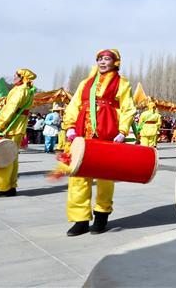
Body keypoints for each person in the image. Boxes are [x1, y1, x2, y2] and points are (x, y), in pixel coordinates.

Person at [63, 49, 135, 236]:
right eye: (100, 59)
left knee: (105, 176)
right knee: (78, 175)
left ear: (115, 62)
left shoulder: (122, 83)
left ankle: (101, 216)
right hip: (82, 132)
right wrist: (70, 125)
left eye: (107, 59)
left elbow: (128, 108)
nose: (103, 62)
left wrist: (122, 131)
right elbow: (74, 105)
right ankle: (80, 220)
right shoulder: (85, 83)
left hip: (107, 131)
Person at [0, 69, 37, 198]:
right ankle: (11, 186)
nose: (14, 77)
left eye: (16, 76)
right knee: (13, 158)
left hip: (11, 127)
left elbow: (10, 109)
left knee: (4, 156)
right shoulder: (27, 90)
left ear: (22, 78)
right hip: (18, 127)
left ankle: (3, 188)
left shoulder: (20, 90)